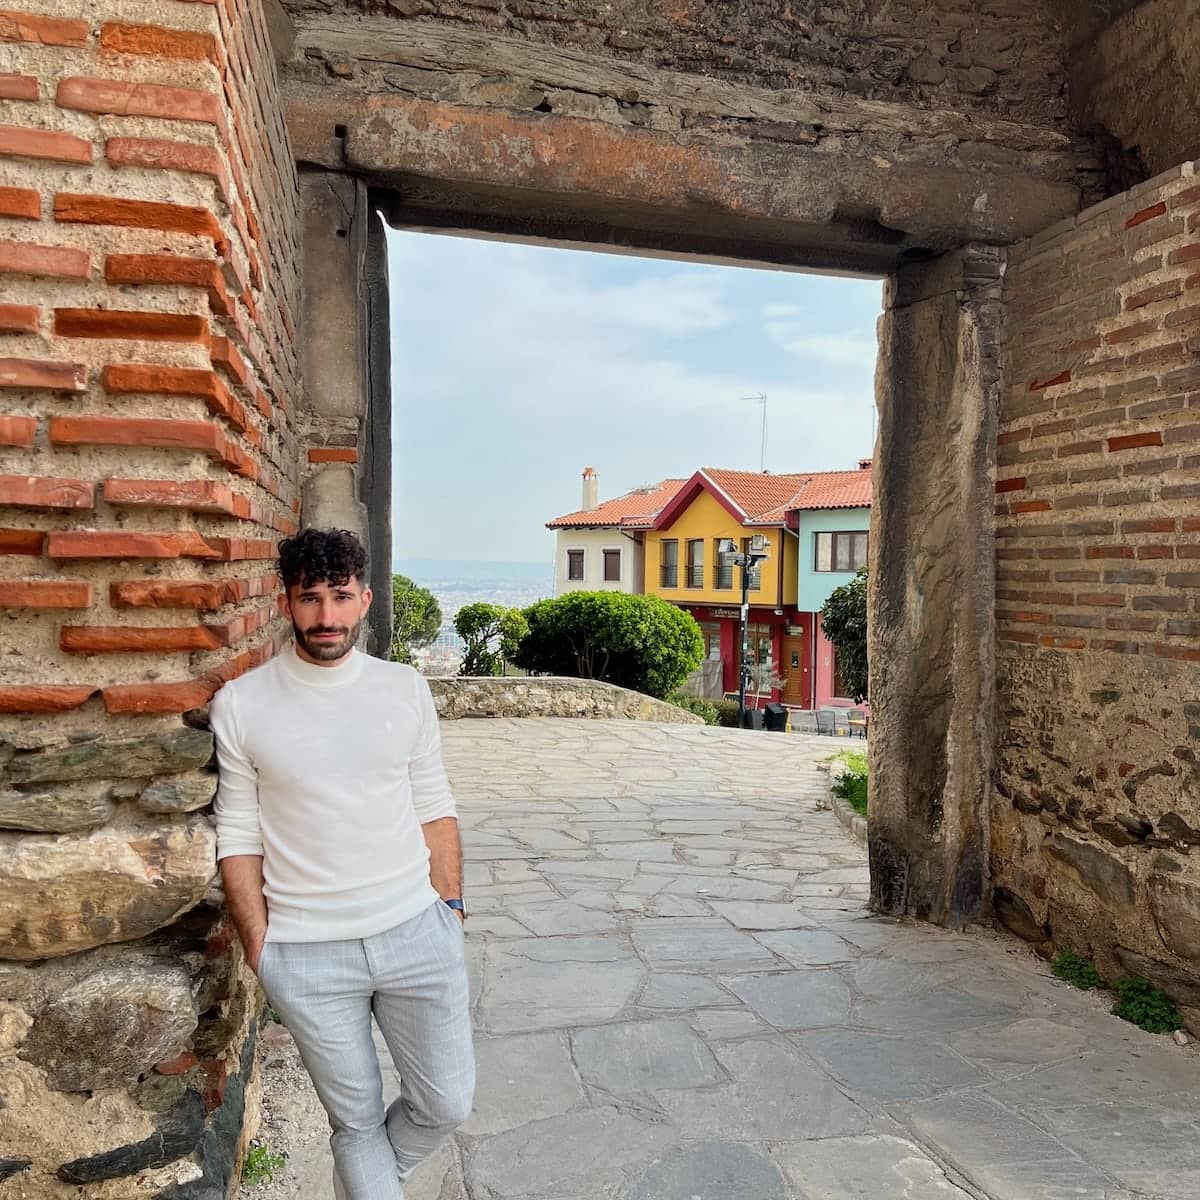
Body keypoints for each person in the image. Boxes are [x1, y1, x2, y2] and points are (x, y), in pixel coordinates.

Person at [211, 527, 474, 1200]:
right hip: (304, 950)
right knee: (355, 1124)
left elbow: (434, 804)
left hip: (417, 930)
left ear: (364, 599)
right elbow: (237, 833)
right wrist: (260, 946)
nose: (325, 617)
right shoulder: (242, 704)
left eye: (338, 597)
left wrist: (451, 909)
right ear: (286, 602)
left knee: (446, 1104)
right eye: (309, 599)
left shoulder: (405, 689)